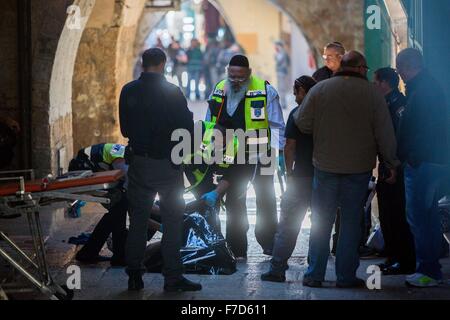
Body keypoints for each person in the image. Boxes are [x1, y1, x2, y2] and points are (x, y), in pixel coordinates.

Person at [295, 51, 400, 288]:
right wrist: (391, 162)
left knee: (322, 221)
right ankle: (345, 276)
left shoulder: (320, 89)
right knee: (351, 223)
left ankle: (314, 275)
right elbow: (385, 132)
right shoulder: (372, 94)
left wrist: (323, 132)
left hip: (325, 165)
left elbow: (302, 122)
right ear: (361, 68)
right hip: (358, 168)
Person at [119, 48, 201, 292]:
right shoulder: (172, 92)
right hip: (167, 164)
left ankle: (134, 275)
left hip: (139, 165)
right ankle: (172, 278)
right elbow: (186, 128)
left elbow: (124, 130)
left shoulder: (128, 90)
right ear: (163, 64)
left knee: (138, 221)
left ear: (142, 64)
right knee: (173, 221)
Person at [205, 54, 286, 259]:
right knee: (234, 200)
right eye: (232, 76)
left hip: (261, 156)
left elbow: (277, 125)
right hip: (232, 157)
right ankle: (236, 247)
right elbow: (209, 122)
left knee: (265, 199)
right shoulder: (219, 89)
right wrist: (209, 150)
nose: (235, 80)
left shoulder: (265, 89)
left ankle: (268, 242)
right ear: (227, 72)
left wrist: (281, 153)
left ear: (248, 73)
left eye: (240, 76)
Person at [396, 48, 450, 287]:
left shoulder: (422, 91)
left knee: (421, 217)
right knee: (426, 216)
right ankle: (430, 267)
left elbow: (421, 129)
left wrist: (411, 156)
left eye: (400, 71)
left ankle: (429, 270)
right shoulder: (428, 88)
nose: (401, 76)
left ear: (407, 67)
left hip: (423, 163)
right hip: (429, 161)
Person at [261, 76, 317, 282]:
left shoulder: (297, 114)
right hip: (324, 175)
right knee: (321, 223)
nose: (295, 97)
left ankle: (277, 269)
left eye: (296, 92)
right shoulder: (326, 115)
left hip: (301, 175)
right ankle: (315, 269)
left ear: (303, 90)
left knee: (288, 224)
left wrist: (289, 172)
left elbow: (289, 146)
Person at [373, 67, 416, 276]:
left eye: (376, 82)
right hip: (386, 164)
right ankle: (393, 256)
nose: (374, 85)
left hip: (395, 166)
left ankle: (403, 259)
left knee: (397, 214)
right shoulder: (387, 103)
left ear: (384, 83)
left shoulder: (398, 104)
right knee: (387, 214)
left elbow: (399, 137)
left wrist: (393, 165)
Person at [69, 143, 128, 266]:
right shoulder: (122, 159)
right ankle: (116, 255)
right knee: (120, 207)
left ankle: (111, 254)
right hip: (82, 167)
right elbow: (123, 177)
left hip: (88, 166)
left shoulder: (126, 155)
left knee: (118, 209)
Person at [274, 41, 291, 109]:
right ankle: (283, 103)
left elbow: (280, 61)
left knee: (282, 88)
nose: (275, 47)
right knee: (281, 88)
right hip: (280, 72)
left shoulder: (282, 53)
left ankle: (283, 104)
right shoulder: (280, 53)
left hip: (282, 72)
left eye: (277, 46)